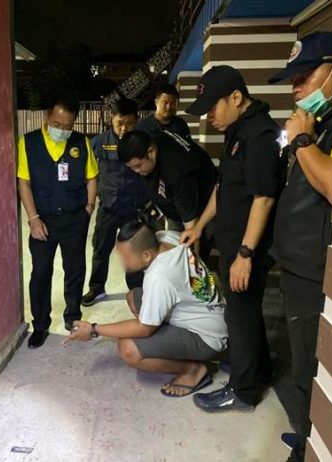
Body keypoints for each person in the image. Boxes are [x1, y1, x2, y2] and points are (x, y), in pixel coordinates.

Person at [182, 65, 285, 413]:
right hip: (231, 243)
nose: (209, 116)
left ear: (236, 98)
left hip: (246, 249)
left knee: (239, 319)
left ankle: (241, 392)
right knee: (246, 315)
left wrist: (245, 254)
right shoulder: (237, 131)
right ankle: (257, 371)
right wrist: (199, 226)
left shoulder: (260, 136)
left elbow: (264, 198)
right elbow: (223, 186)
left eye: (213, 107)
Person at [267, 32, 332, 462]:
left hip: (316, 273)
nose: (296, 90)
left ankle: (308, 449)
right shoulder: (324, 122)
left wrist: (302, 141)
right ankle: (306, 438)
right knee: (303, 362)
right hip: (299, 267)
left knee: (309, 372)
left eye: (304, 78)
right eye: (293, 81)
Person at [63, 221, 227, 397]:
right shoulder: (167, 237)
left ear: (147, 255)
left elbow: (144, 328)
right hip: (214, 313)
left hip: (207, 336)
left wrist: (94, 329)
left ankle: (192, 370)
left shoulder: (158, 277)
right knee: (134, 297)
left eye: (126, 258)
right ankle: (168, 343)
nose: (123, 263)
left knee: (128, 349)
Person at [17, 95, 99, 349]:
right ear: (47, 117)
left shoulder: (81, 142)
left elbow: (92, 176)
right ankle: (40, 324)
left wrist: (89, 208)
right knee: (41, 272)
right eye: (57, 124)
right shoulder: (29, 142)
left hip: (75, 219)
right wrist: (33, 219)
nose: (62, 130)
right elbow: (24, 182)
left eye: (68, 126)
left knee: (75, 270)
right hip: (43, 221)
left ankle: (72, 317)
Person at [82, 99, 148, 307]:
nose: (123, 128)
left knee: (134, 251)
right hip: (108, 208)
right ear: (112, 120)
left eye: (129, 123)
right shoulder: (100, 141)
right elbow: (87, 169)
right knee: (100, 249)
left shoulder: (142, 142)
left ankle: (137, 290)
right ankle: (97, 288)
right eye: (119, 123)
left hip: (133, 209)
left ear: (136, 121)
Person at [118, 130, 216, 238]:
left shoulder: (178, 170)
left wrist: (190, 245)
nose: (136, 171)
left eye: (138, 166)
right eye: (132, 168)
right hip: (174, 207)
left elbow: (191, 227)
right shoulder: (153, 140)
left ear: (151, 152)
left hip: (205, 211)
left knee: (192, 240)